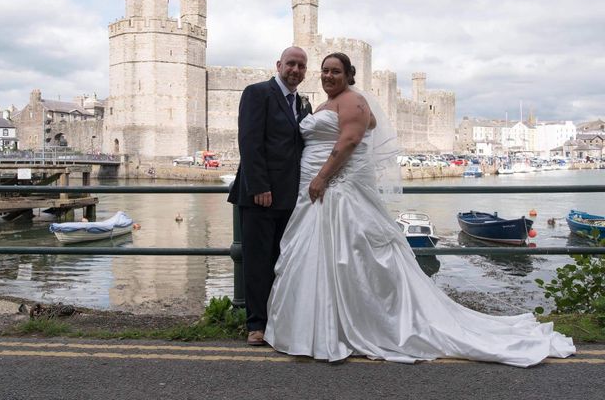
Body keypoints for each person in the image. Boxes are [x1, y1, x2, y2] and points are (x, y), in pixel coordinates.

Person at [264, 52, 575, 366]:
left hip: (334, 188)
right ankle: (323, 324)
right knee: (319, 255)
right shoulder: (322, 105)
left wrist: (320, 177)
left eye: (336, 71)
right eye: (325, 70)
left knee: (348, 254)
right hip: (316, 193)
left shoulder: (353, 101)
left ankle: (349, 323)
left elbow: (350, 141)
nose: (328, 76)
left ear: (349, 75)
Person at [228, 46, 313, 346]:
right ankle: (256, 324)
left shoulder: (302, 104)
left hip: (291, 198)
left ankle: (278, 320)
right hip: (259, 195)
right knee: (257, 261)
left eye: (302, 66)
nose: (296, 70)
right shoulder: (257, 93)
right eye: (291, 64)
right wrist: (260, 186)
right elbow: (249, 143)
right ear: (279, 64)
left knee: (282, 260)